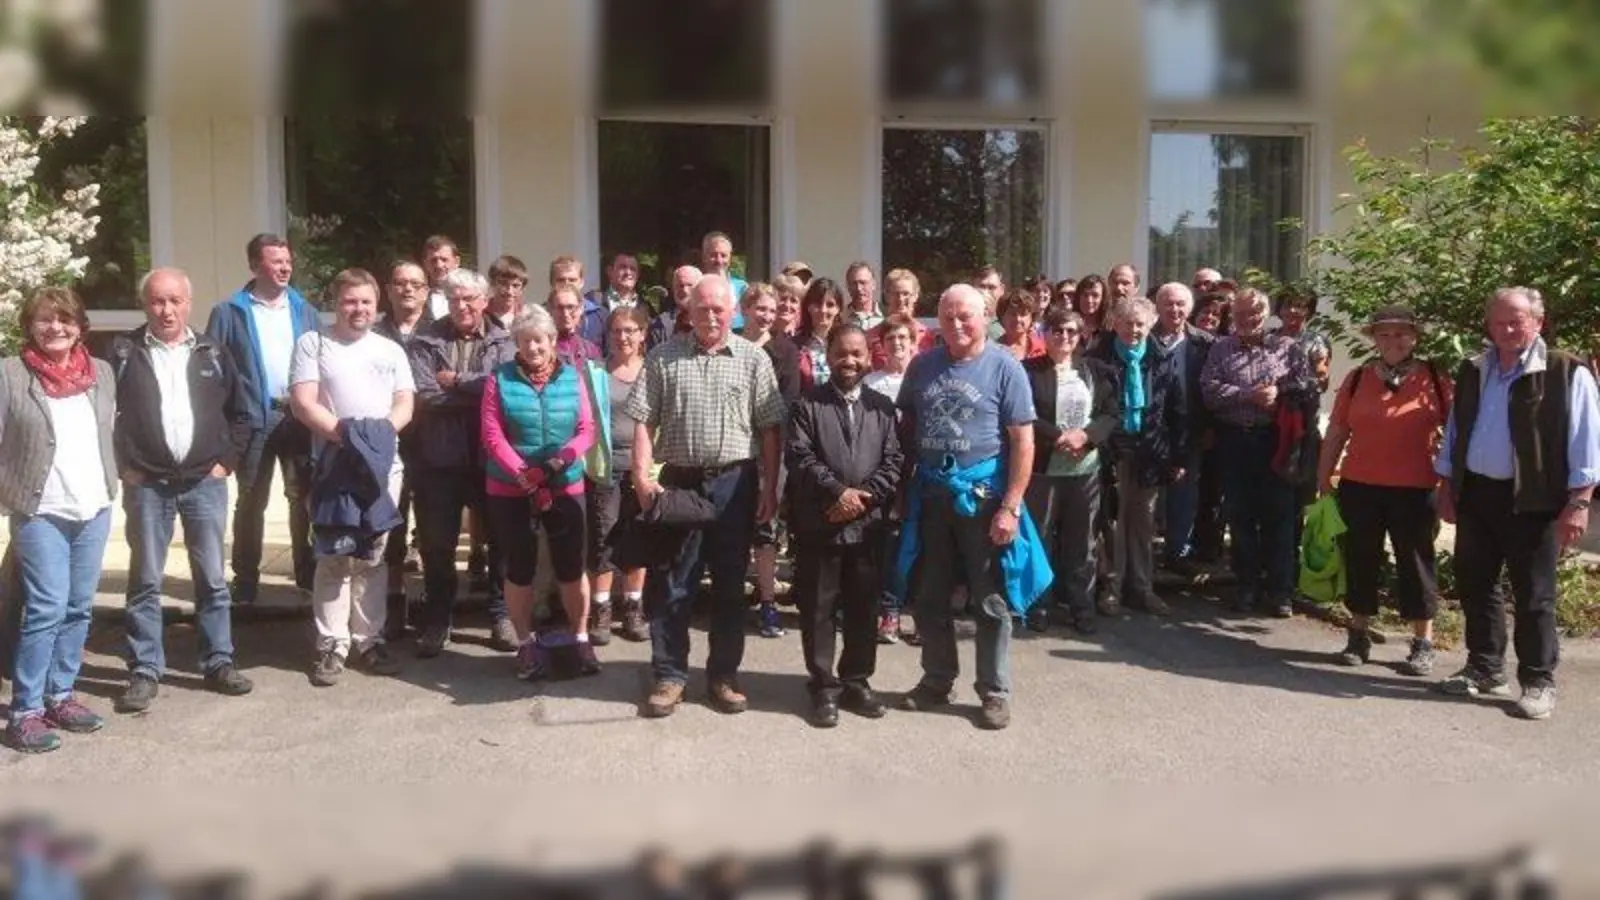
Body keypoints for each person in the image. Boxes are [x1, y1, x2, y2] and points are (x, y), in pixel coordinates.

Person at [1434, 287, 1600, 720]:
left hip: (1535, 500)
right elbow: (1457, 430)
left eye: (1517, 321)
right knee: (1476, 585)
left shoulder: (1566, 372)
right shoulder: (1474, 369)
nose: (1508, 329)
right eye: (1500, 321)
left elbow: (1587, 442)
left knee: (1534, 596)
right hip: (1477, 494)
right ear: (1489, 325)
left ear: (1538, 322)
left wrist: (1579, 502)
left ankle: (1538, 681)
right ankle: (1485, 668)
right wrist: (1447, 482)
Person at [627, 275, 786, 718]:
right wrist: (642, 478)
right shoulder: (662, 357)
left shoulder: (754, 359)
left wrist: (770, 488)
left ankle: (723, 676)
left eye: (719, 309)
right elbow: (643, 420)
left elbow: (770, 428)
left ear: (733, 311)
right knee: (673, 584)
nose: (711, 316)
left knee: (731, 587)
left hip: (736, 485)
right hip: (680, 483)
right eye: (703, 309)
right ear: (689, 311)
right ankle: (669, 675)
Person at [895, 284, 1044, 731]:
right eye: (948, 317)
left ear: (986, 317)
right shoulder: (922, 366)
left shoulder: (1005, 367)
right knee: (929, 596)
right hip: (933, 498)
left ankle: (995, 690)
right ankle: (938, 679)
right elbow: (906, 430)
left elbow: (1023, 440)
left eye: (966, 316)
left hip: (984, 501)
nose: (957, 325)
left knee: (991, 599)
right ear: (936, 320)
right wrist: (903, 493)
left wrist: (1011, 507)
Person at [110, 268, 254, 714]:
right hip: (147, 483)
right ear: (145, 305)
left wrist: (225, 462)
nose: (166, 310)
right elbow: (100, 415)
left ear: (188, 304)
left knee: (211, 578)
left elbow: (244, 413)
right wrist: (123, 466)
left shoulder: (213, 351)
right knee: (146, 580)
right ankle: (145, 669)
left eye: (174, 301)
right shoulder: (122, 352)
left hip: (203, 483)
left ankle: (218, 661)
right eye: (157, 301)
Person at [1, 289, 118, 753]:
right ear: (30, 326)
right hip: (40, 509)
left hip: (93, 505)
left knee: (78, 607)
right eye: (45, 320)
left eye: (65, 319)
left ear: (79, 325)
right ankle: (25, 711)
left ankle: (61, 695)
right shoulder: (10, 373)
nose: (56, 328)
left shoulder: (101, 373)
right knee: (47, 608)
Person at [290, 268, 416, 687]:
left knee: (372, 555)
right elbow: (304, 403)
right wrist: (349, 437)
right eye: (349, 301)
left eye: (365, 301)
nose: (357, 309)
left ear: (376, 305)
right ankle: (332, 644)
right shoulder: (314, 343)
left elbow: (405, 404)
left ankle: (369, 640)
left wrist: (376, 441)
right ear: (336, 303)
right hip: (334, 464)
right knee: (334, 554)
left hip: (382, 467)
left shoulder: (390, 350)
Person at [1316, 305, 1452, 675]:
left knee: (1416, 563)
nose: (1393, 341)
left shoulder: (1436, 379)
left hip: (1416, 487)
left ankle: (1422, 641)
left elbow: (1456, 436)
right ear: (1374, 338)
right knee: (1361, 558)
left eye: (1401, 333)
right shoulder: (1358, 378)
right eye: (1385, 334)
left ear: (1415, 337)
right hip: (1360, 485)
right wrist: (1323, 477)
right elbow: (1337, 432)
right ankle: (1358, 633)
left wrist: (1451, 485)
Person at [786, 324, 904, 728]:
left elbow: (894, 462)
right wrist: (837, 493)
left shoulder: (883, 408)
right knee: (819, 609)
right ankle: (823, 686)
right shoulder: (807, 405)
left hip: (868, 526)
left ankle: (856, 681)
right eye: (841, 353)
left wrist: (860, 499)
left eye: (856, 354)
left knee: (862, 606)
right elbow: (800, 458)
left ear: (869, 357)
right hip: (821, 523)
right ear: (828, 356)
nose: (849, 361)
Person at [481, 305, 601, 679]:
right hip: (510, 487)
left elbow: (587, 429)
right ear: (516, 342)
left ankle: (580, 638)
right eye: (526, 340)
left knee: (571, 566)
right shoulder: (498, 379)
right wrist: (522, 472)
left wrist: (560, 461)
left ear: (553, 341)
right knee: (518, 568)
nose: (533, 347)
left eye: (540, 340)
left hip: (564, 484)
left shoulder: (572, 376)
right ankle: (525, 643)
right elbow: (491, 433)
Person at [206, 233, 320, 604]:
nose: (285, 267)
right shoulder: (229, 312)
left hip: (299, 415)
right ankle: (246, 580)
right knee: (251, 498)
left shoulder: (305, 310)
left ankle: (308, 573)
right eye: (276, 261)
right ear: (256, 265)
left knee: (303, 496)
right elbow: (212, 369)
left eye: (287, 261)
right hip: (254, 417)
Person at [407, 268, 516, 656]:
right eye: (455, 299)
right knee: (438, 545)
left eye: (470, 298)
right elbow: (425, 396)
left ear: (485, 301)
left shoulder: (504, 339)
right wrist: (475, 390)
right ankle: (439, 618)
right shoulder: (425, 340)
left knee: (501, 540)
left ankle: (501, 614)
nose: (463, 306)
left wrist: (454, 381)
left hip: (492, 457)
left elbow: (501, 389)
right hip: (439, 458)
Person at [1200, 288, 1316, 617]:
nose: (1247, 320)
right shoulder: (1221, 348)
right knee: (1240, 516)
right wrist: (1247, 395)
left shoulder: (1287, 348)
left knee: (1279, 516)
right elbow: (1208, 390)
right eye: (1240, 314)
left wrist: (1278, 391)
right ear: (1231, 316)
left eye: (1254, 314)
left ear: (1266, 316)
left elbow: (1306, 386)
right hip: (1234, 440)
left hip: (1275, 439)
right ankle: (1246, 585)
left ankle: (1280, 591)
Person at [1084, 296, 1189, 617]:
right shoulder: (1095, 359)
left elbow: (1178, 409)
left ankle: (1142, 588)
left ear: (1151, 325)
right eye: (1128, 323)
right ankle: (1110, 589)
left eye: (1140, 323)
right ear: (1115, 323)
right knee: (1111, 522)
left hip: (1150, 450)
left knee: (1143, 521)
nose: (1134, 329)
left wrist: (1178, 457)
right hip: (1110, 450)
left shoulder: (1161, 359)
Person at [1023, 307, 1119, 634]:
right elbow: (1024, 414)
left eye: (1071, 332)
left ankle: (1082, 606)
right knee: (1041, 538)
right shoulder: (1027, 371)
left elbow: (1110, 414)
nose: (1064, 337)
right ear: (1044, 334)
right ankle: (1039, 605)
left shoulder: (1096, 371)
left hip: (1085, 470)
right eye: (1057, 331)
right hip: (1044, 471)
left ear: (1081, 337)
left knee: (1083, 542)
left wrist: (1086, 437)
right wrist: (1057, 437)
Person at [741, 282, 802, 639]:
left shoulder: (785, 350)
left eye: (770, 309)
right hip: (731, 447)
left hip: (771, 448)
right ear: (745, 309)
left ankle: (767, 602)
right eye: (758, 308)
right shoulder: (729, 344)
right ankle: (730, 597)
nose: (765, 316)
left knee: (766, 527)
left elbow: (786, 403)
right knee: (731, 527)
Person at [588, 305, 652, 644]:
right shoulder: (596, 372)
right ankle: (600, 610)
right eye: (617, 330)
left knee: (638, 538)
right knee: (604, 537)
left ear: (642, 334)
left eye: (630, 330)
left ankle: (633, 607)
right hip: (606, 467)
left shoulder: (653, 371)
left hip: (644, 468)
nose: (623, 337)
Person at [374, 260, 432, 637]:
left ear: (426, 291)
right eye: (400, 283)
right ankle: (393, 600)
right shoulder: (374, 333)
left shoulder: (439, 332)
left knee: (431, 526)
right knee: (391, 523)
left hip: (432, 442)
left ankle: (427, 600)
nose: (407, 289)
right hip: (386, 441)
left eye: (415, 284)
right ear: (389, 290)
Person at [1150, 283, 1215, 576]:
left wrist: (1209, 427)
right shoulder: (1144, 338)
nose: (1174, 310)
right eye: (1168, 304)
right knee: (1148, 496)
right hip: (1150, 429)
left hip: (1190, 430)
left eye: (1180, 305)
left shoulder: (1205, 343)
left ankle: (1177, 552)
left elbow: (1211, 389)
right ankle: (1144, 556)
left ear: (1188, 309)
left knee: (1184, 495)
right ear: (1158, 307)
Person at [864, 313, 919, 644]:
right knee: (883, 544)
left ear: (913, 342)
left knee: (912, 546)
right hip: (881, 474)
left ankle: (907, 609)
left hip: (916, 473)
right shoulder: (871, 382)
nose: (897, 344)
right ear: (881, 346)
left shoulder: (923, 378)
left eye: (903, 338)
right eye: (890, 339)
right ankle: (885, 609)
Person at [868, 269, 936, 367]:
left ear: (916, 296)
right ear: (886, 296)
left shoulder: (926, 335)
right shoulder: (872, 336)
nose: (900, 299)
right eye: (896, 294)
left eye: (906, 294)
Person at [797, 277, 846, 391]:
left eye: (830, 305)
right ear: (808, 307)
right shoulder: (794, 346)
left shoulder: (845, 344)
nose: (823, 310)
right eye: (817, 304)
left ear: (838, 309)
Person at [548, 282, 604, 365]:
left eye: (570, 307)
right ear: (551, 310)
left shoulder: (590, 350)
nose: (565, 314)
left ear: (581, 309)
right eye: (560, 308)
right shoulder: (544, 348)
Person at [700, 231, 748, 329]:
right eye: (713, 255)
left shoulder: (742, 288)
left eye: (723, 255)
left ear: (730, 258)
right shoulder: (696, 287)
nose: (719, 260)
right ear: (704, 257)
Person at [649, 265, 702, 349]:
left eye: (690, 285)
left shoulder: (711, 321)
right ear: (673, 289)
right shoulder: (659, 324)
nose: (684, 290)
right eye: (680, 285)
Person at [995, 289, 1047, 361]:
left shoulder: (1042, 349)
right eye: (1012, 314)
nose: (1018, 319)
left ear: (1031, 317)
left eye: (1023, 314)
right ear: (1002, 317)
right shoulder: (993, 351)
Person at [421, 234, 463, 321]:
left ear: (457, 262)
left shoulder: (470, 297)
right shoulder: (418, 297)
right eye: (433, 260)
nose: (439, 265)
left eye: (444, 259)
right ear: (425, 264)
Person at [485, 255, 530, 333]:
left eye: (515, 286)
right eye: (503, 283)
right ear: (492, 283)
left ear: (522, 289)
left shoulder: (527, 316)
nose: (509, 291)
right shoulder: (482, 313)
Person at [844, 261, 882, 330]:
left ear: (873, 285)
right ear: (848, 287)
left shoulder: (887, 316)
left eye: (863, 283)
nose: (858, 288)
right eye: (854, 283)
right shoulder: (841, 319)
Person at [1073, 275, 1108, 346]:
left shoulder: (1110, 330)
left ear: (1103, 299)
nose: (1089, 300)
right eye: (1085, 295)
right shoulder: (1068, 327)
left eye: (1095, 295)